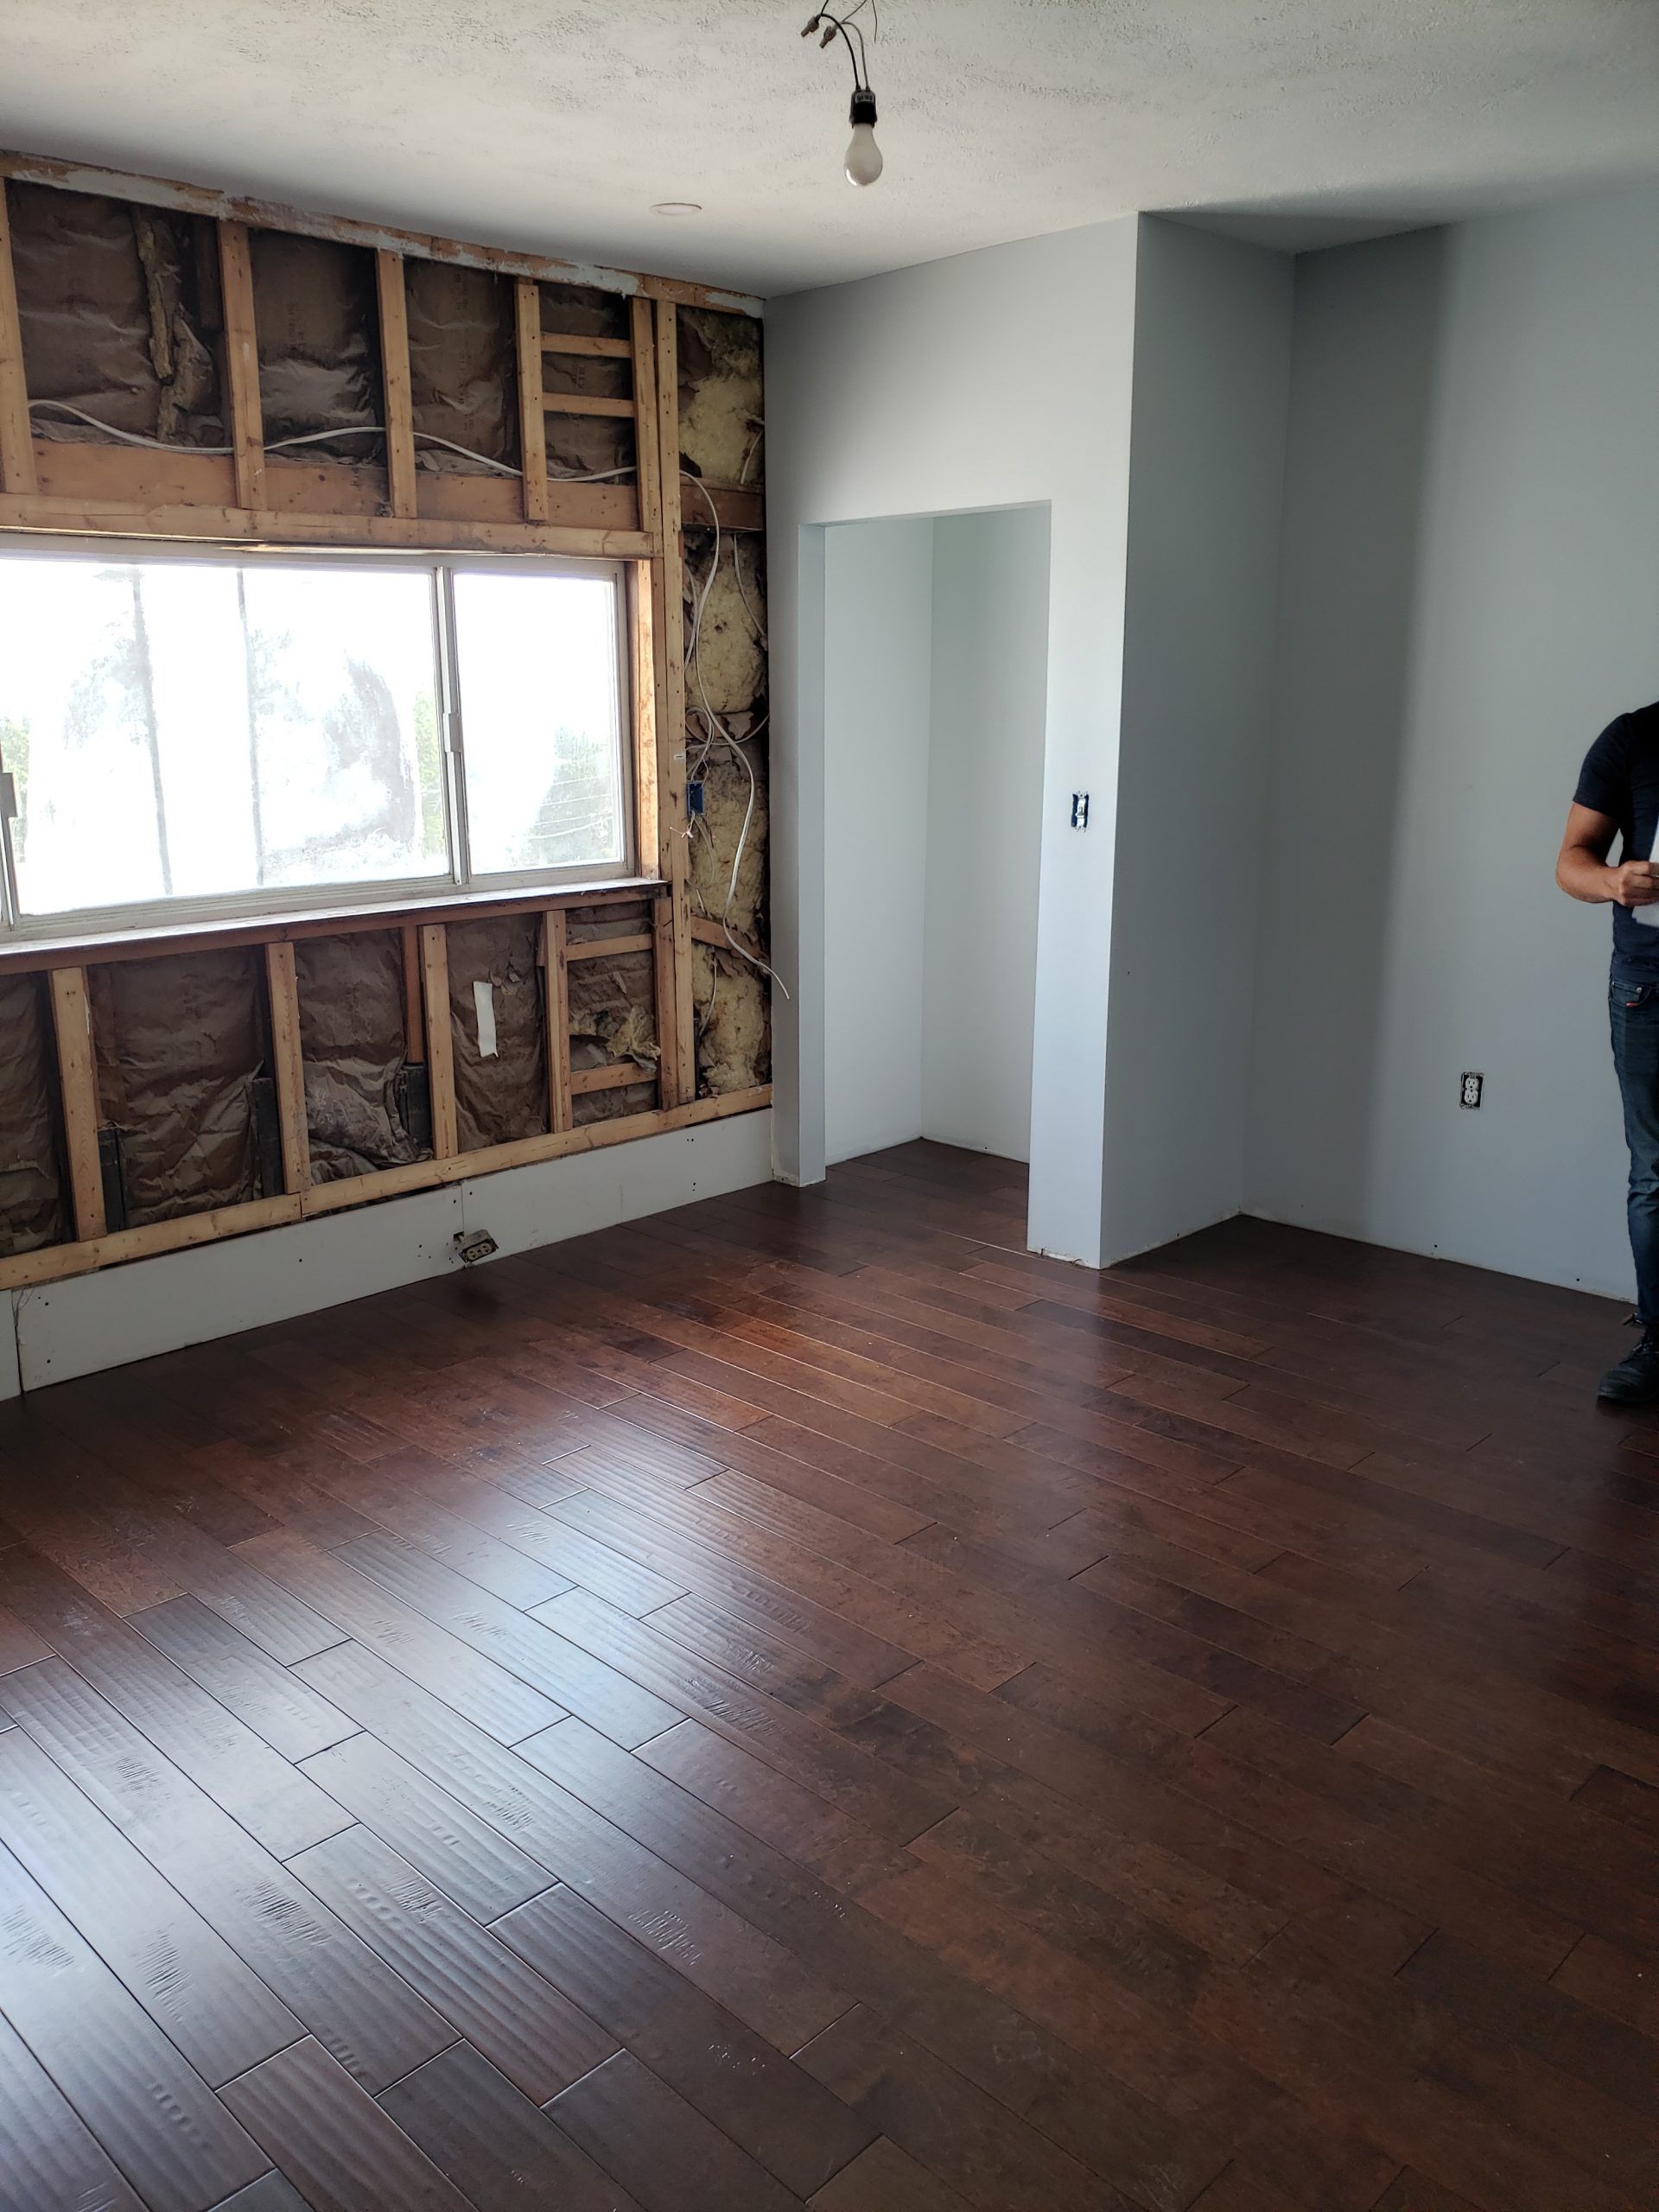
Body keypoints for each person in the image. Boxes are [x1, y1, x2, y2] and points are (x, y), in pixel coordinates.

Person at [1558, 701, 1659, 1402]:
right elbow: (1570, 862)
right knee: (1656, 1172)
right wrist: (1615, 882)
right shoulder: (1635, 736)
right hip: (1649, 986)